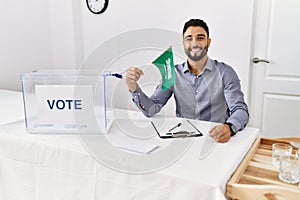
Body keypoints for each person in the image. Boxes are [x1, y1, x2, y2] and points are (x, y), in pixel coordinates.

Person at [125, 19, 249, 143]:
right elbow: (151, 109)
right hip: (183, 138)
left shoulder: (226, 73)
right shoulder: (172, 73)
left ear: (208, 42)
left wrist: (229, 127)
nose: (194, 43)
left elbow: (240, 110)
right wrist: (133, 87)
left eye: (200, 38)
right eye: (189, 38)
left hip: (215, 138)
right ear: (184, 43)